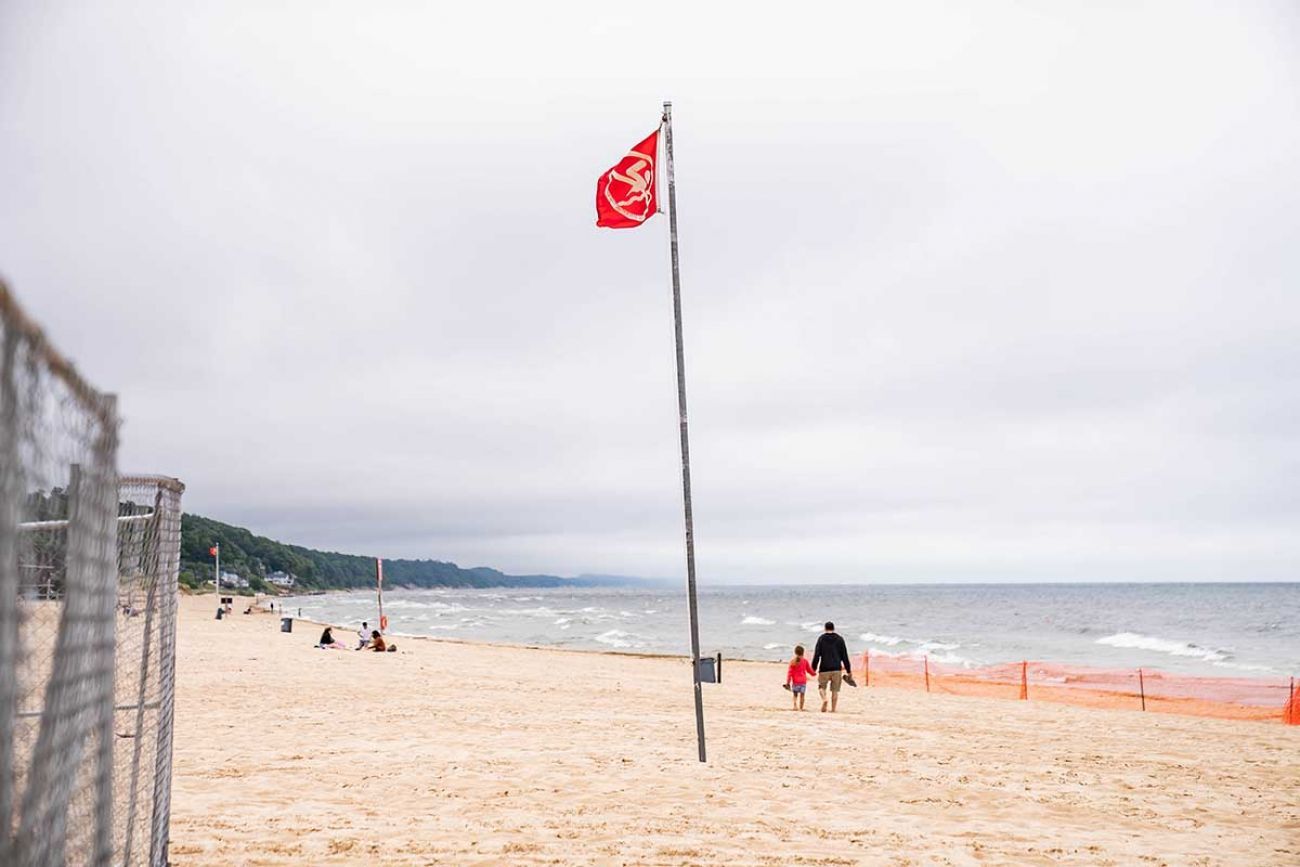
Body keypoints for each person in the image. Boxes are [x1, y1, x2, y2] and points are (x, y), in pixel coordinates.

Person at [812, 621, 852, 713]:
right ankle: (833, 709)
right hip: (837, 669)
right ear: (833, 628)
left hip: (824, 668)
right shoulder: (840, 639)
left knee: (821, 687)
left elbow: (817, 655)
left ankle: (824, 699)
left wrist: (813, 668)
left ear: (825, 629)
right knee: (835, 690)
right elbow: (844, 656)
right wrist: (849, 670)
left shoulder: (821, 639)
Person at [784, 644, 815, 711]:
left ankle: (795, 706)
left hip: (795, 682)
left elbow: (789, 673)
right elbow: (809, 670)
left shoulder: (792, 662)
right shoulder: (805, 661)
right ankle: (801, 707)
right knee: (802, 695)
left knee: (795, 695)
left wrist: (788, 682)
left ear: (795, 652)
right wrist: (814, 674)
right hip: (803, 682)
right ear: (803, 652)